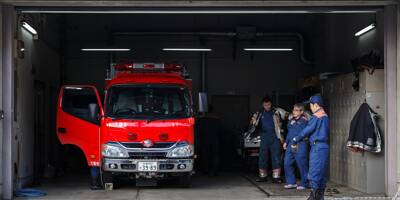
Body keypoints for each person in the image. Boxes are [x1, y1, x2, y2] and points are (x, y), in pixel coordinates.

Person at [291, 94, 329, 200]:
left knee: (314, 172)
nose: (310, 108)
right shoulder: (325, 116)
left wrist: (295, 139)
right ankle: (320, 197)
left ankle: (313, 197)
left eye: (311, 105)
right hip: (324, 147)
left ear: (316, 105)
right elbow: (317, 132)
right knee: (321, 172)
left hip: (317, 148)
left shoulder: (316, 117)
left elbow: (306, 131)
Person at [251, 96, 286, 183]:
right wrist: (253, 121)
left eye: (268, 105)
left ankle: (276, 177)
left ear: (271, 104)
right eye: (265, 105)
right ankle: (263, 176)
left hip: (275, 136)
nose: (267, 107)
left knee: (276, 157)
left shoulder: (277, 112)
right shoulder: (259, 113)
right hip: (264, 136)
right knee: (263, 156)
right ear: (262, 105)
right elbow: (252, 124)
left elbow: (288, 116)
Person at [283, 103, 309, 190]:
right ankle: (291, 182)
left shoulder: (304, 121)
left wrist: (295, 140)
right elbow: (289, 132)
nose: (294, 112)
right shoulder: (291, 120)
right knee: (287, 163)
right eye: (293, 110)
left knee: (302, 164)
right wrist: (286, 142)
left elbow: (305, 133)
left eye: (296, 110)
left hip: (300, 144)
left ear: (301, 112)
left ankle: (305, 183)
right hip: (290, 143)